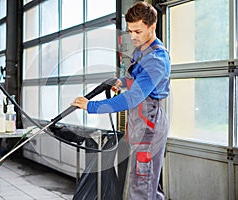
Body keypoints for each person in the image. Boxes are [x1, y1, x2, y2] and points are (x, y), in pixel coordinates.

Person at [72, 2, 170, 199]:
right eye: (130, 30)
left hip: (149, 123)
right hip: (141, 121)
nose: (132, 36)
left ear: (152, 27)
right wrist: (122, 81)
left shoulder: (157, 60)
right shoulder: (142, 49)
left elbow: (132, 98)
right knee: (146, 182)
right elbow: (138, 80)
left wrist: (91, 106)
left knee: (142, 185)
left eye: (138, 31)